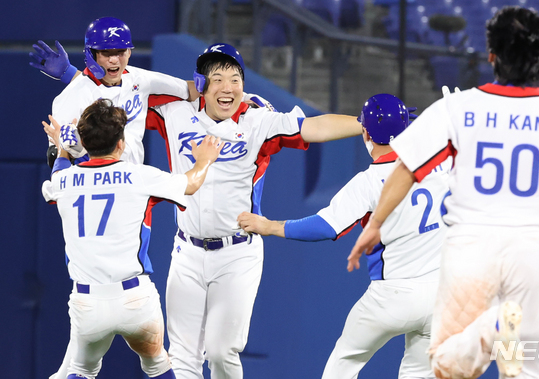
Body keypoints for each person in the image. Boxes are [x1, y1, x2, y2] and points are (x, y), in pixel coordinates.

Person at [349, 6, 539, 379]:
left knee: (450, 367)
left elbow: (406, 167)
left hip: (473, 252)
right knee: (528, 371)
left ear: (491, 56)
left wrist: (377, 223)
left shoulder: (458, 107)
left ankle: (487, 334)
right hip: (531, 259)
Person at [145, 43, 363, 379]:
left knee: (220, 352)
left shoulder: (257, 121)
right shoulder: (174, 113)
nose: (227, 87)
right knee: (184, 357)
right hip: (186, 250)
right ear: (200, 84)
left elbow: (314, 128)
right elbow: (125, 98)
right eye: (217, 78)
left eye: (235, 78)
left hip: (236, 253)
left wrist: (365, 124)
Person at [237, 93, 448, 379]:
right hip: (440, 294)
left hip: (392, 296)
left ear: (365, 133)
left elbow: (325, 226)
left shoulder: (370, 182)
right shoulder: (441, 163)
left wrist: (271, 226)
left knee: (343, 363)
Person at [41, 98, 224, 379]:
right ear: (121, 144)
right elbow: (190, 184)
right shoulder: (138, 176)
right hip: (135, 300)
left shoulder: (61, 182)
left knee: (79, 370)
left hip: (87, 302)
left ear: (86, 144)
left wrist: (63, 149)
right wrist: (205, 160)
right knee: (157, 364)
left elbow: (60, 172)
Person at [30, 16, 201, 168]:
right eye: (106, 53)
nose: (114, 59)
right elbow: (55, 157)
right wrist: (77, 151)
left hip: (132, 181)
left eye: (120, 52)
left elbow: (188, 90)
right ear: (92, 54)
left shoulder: (140, 79)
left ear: (129, 52)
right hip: (94, 184)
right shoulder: (74, 95)